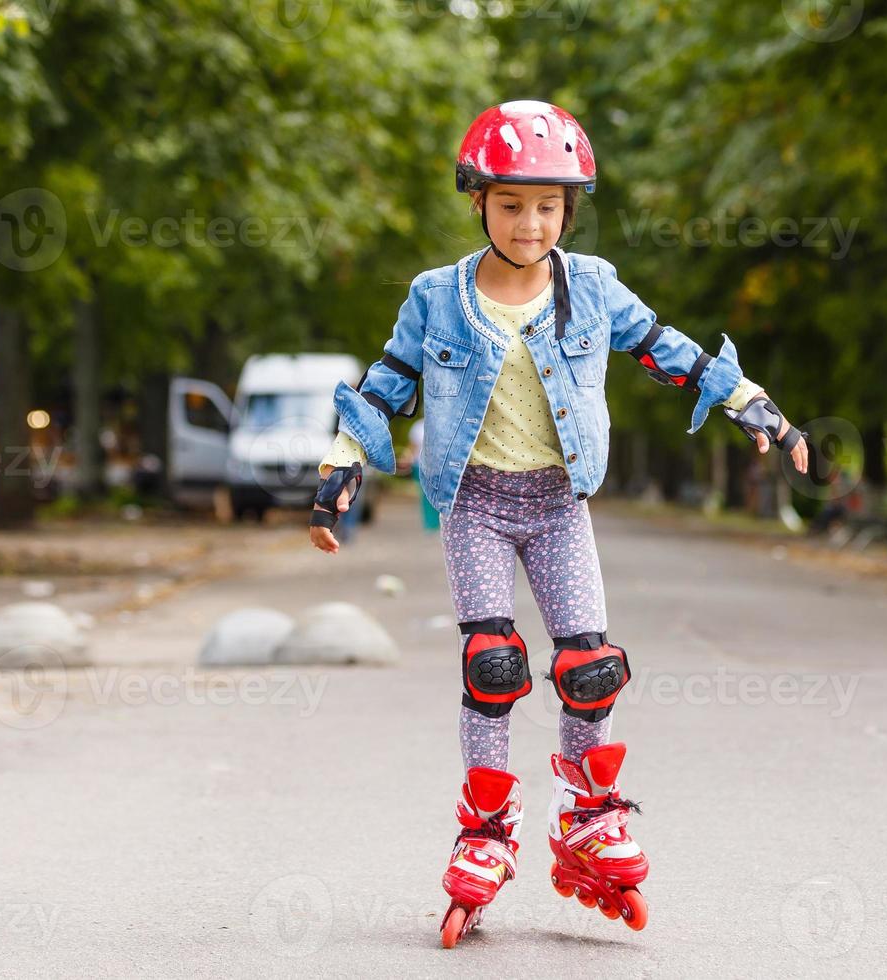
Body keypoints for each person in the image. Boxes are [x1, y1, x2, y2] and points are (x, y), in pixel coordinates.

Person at [306, 101, 807, 947]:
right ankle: (487, 830)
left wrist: (749, 403)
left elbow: (664, 347)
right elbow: (386, 383)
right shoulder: (437, 297)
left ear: (569, 209)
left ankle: (587, 817)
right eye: (511, 204)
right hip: (476, 505)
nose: (530, 222)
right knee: (492, 664)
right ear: (478, 200)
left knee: (591, 667)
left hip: (558, 504)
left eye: (548, 205)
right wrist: (341, 466)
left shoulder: (595, 288)